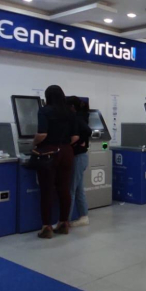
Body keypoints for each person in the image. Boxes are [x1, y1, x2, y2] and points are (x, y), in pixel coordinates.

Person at [33, 85, 78, 239]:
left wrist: (33, 143)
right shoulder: (70, 112)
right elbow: (75, 137)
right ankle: (63, 223)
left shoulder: (44, 111)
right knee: (64, 189)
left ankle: (46, 227)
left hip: (49, 153)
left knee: (47, 190)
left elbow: (42, 134)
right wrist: (62, 145)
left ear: (47, 96)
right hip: (67, 152)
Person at [66, 96, 91, 227]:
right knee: (79, 189)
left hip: (78, 158)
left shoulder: (77, 118)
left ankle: (65, 221)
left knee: (70, 189)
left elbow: (87, 131)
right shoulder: (82, 116)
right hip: (82, 157)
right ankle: (83, 216)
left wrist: (75, 142)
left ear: (71, 107)